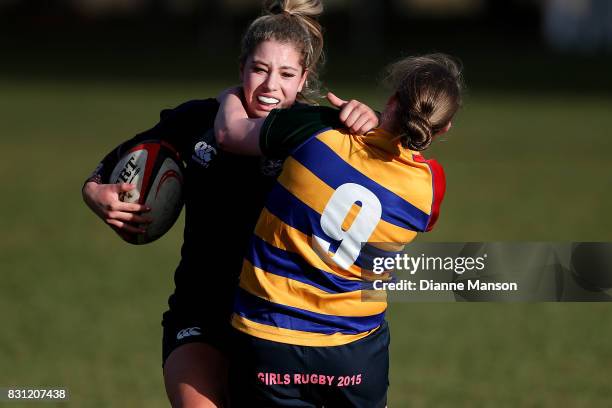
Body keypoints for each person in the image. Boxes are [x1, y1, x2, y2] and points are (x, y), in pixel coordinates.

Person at [81, 1, 381, 407]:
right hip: (201, 313)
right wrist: (95, 193)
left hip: (281, 326)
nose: (271, 85)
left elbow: (396, 151)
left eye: (286, 74)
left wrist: (372, 119)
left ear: (303, 79)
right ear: (242, 67)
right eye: (260, 69)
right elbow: (115, 164)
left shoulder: (322, 133)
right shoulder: (196, 119)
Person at [214, 53, 464, 407]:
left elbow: (229, 134)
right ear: (443, 128)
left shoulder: (318, 128)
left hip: (268, 338)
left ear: (392, 100)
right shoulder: (430, 188)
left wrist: (231, 95)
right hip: (354, 354)